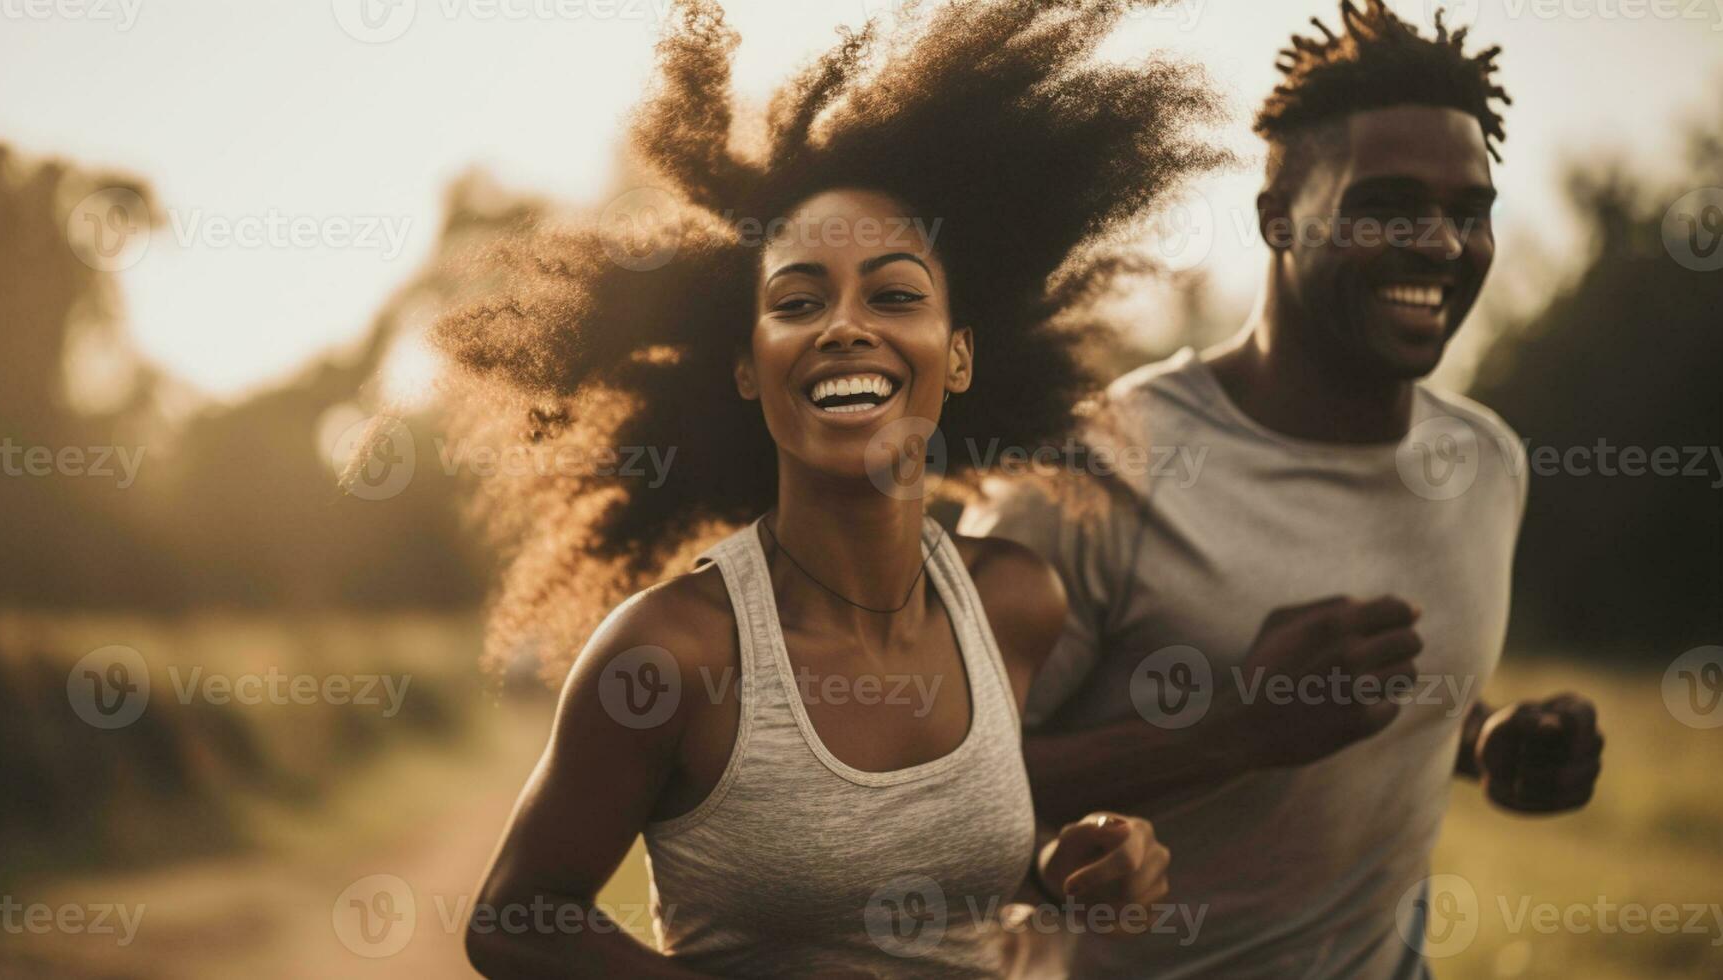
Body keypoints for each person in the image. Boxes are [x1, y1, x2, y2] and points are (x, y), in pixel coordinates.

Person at [434, 1, 1224, 975]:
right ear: (746, 363)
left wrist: (1073, 865)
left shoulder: (1016, 600)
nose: (846, 326)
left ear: (961, 354)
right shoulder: (673, 650)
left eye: (894, 294)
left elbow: (929, 868)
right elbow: (513, 919)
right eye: (799, 301)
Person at [961, 2, 1605, 977]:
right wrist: (1236, 731)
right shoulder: (1094, 465)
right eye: (1386, 203)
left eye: (1469, 212)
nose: (1438, 243)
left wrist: (1487, 737)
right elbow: (927, 787)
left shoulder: (1485, 463)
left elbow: (1387, 713)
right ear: (1277, 216)